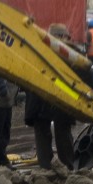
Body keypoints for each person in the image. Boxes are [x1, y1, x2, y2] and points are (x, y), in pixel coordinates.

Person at [25, 24, 77, 169]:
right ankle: (64, 167)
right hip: (52, 98)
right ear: (59, 37)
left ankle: (49, 167)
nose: (68, 40)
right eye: (66, 37)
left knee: (49, 134)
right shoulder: (70, 54)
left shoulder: (37, 49)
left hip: (44, 99)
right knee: (60, 134)